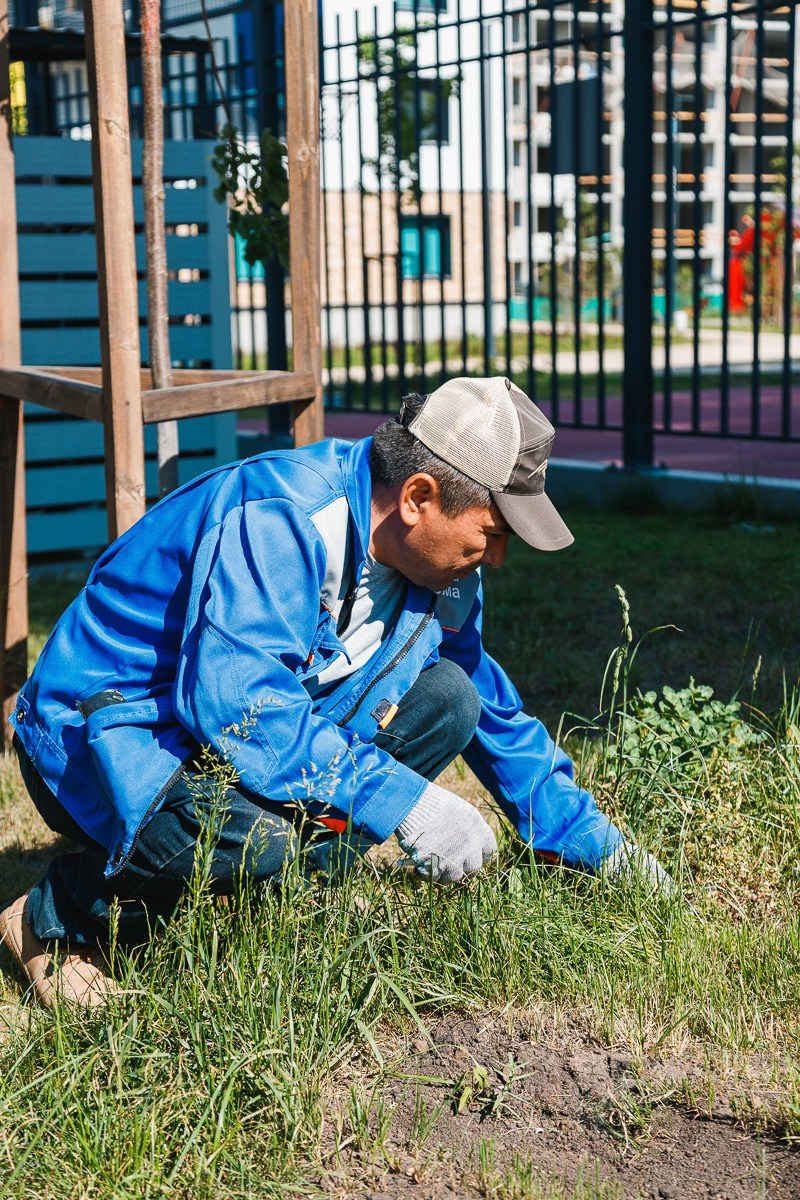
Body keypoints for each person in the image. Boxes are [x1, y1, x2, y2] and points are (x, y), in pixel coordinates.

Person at [1, 377, 671, 1009]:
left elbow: (489, 709)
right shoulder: (283, 516)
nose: (496, 558)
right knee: (262, 829)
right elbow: (241, 707)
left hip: (218, 733)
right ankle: (55, 920)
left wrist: (592, 842)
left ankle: (255, 884)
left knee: (450, 699)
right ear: (418, 498)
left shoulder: (438, 566)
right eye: (491, 535)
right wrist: (402, 800)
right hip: (102, 740)